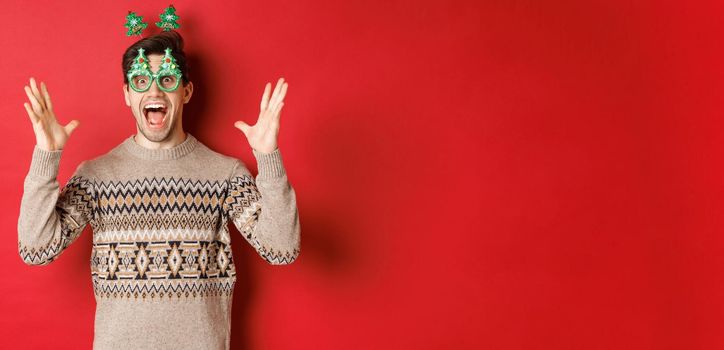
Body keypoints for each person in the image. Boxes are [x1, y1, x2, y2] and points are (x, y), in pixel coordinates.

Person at [17, 30, 300, 349]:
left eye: (167, 80)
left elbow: (282, 250)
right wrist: (47, 155)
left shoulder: (225, 174)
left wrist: (268, 157)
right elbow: (35, 249)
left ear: (186, 91)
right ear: (127, 94)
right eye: (141, 81)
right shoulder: (96, 176)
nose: (154, 90)